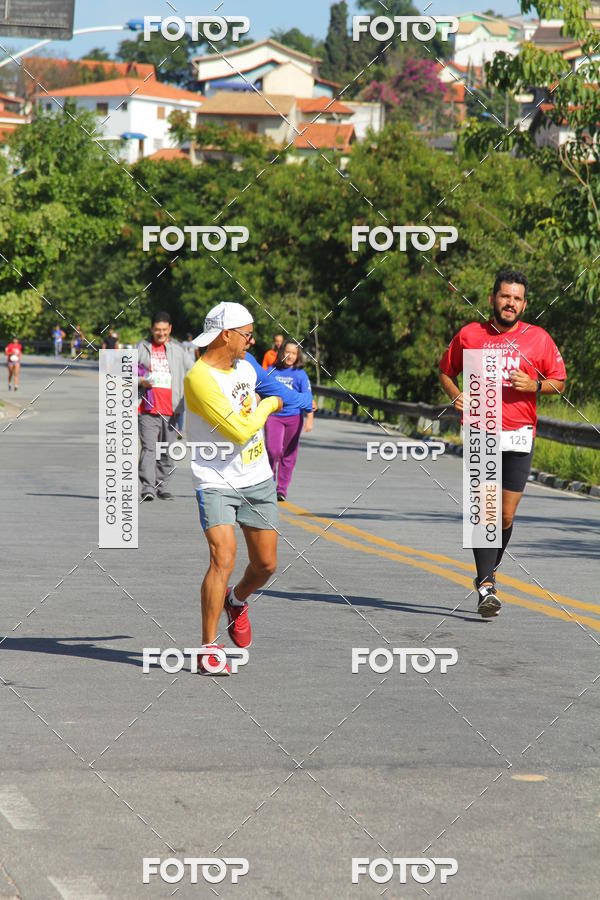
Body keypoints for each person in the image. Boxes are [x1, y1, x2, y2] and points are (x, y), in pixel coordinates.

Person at [439, 269, 567, 618]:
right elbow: (445, 371)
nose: (509, 303)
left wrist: (535, 386)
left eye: (516, 298)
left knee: (505, 515)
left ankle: (487, 572)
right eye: (504, 296)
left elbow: (559, 381)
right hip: (482, 430)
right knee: (486, 512)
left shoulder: (538, 338)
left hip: (519, 435)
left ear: (524, 304)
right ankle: (486, 587)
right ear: (493, 298)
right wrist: (455, 395)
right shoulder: (470, 334)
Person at [184, 302, 286, 675]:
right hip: (215, 480)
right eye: (247, 334)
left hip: (257, 478)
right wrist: (271, 403)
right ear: (226, 335)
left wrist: (278, 397)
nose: (252, 340)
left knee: (266, 565)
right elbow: (240, 431)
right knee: (222, 557)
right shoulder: (198, 379)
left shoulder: (246, 366)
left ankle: (237, 600)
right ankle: (208, 647)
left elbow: (285, 395)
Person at [137, 311, 193, 501]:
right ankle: (148, 488)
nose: (160, 333)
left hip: (173, 409)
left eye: (164, 330)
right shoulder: (141, 348)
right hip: (147, 408)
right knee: (149, 448)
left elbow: (193, 372)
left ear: (170, 329)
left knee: (167, 450)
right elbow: (121, 372)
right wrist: (140, 381)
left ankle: (162, 486)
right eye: (157, 330)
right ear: (151, 329)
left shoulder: (178, 350)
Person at [264, 340, 313, 501]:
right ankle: (269, 483)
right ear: (281, 353)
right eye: (287, 352)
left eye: (294, 353)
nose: (290, 356)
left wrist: (309, 418)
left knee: (289, 454)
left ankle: (281, 489)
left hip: (293, 417)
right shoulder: (272, 371)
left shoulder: (300, 375)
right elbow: (261, 391)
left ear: (297, 355)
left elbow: (308, 397)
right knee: (273, 450)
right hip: (274, 416)